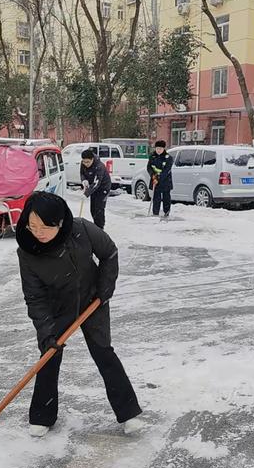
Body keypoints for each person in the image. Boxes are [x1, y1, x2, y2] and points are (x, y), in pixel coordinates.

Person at [16, 191, 142, 437]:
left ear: (59, 223)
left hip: (92, 299)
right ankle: (42, 416)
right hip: (57, 307)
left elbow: (109, 253)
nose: (38, 232)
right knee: (49, 354)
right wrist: (46, 332)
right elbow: (35, 297)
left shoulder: (81, 230)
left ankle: (128, 412)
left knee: (103, 352)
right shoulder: (27, 251)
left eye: (44, 227)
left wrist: (105, 289)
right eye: (32, 226)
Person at [80, 149, 111, 229]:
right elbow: (82, 173)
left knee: (99, 209)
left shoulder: (99, 166)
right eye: (84, 162)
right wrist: (84, 180)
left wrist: (86, 193)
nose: (85, 164)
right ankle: (96, 226)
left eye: (87, 162)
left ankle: (100, 228)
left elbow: (96, 183)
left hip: (103, 188)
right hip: (93, 188)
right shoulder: (83, 163)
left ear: (92, 159)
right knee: (93, 209)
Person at [147, 140, 173, 217]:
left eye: (160, 149)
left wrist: (158, 178)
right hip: (155, 181)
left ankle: (166, 212)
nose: (158, 150)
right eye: (157, 148)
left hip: (165, 182)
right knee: (156, 198)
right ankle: (155, 213)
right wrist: (152, 176)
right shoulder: (152, 156)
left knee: (166, 198)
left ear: (163, 149)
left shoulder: (168, 158)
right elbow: (149, 167)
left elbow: (166, 170)